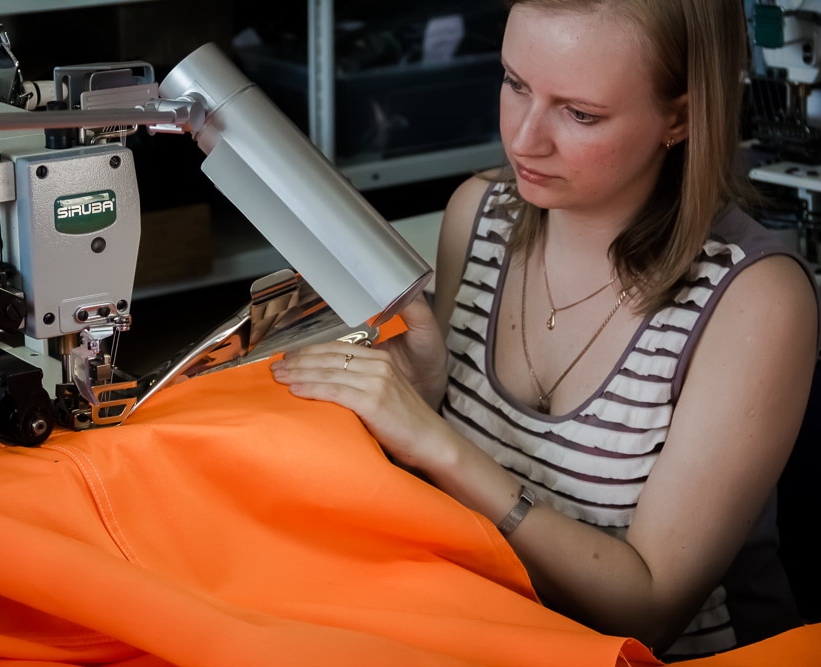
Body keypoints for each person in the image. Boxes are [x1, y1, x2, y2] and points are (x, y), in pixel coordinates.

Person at [270, 0, 821, 660]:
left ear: (680, 116)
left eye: (580, 113)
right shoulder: (478, 214)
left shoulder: (756, 299)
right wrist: (427, 391)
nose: (524, 140)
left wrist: (437, 444)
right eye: (515, 83)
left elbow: (649, 615)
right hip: (489, 633)